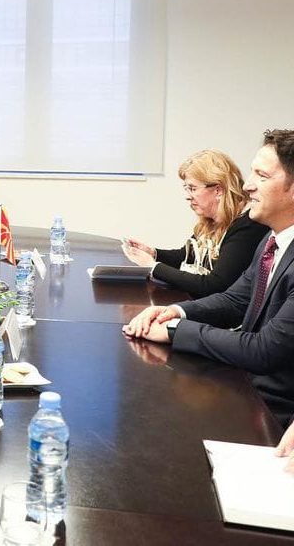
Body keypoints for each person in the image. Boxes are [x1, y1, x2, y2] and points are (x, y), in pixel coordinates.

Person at [123, 129, 294, 426]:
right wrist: (175, 311)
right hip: (246, 386)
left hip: (274, 413)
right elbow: (235, 299)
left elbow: (263, 350)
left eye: (262, 176)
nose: (248, 186)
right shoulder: (272, 241)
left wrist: (176, 331)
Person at [123, 149, 267, 297]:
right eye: (186, 189)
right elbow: (186, 256)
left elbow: (214, 285)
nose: (188, 196)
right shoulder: (211, 220)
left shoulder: (247, 227)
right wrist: (153, 253)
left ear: (218, 190)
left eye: (192, 188)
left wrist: (152, 266)